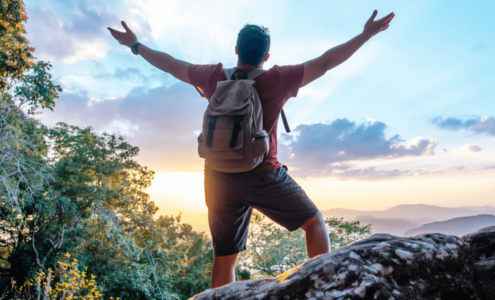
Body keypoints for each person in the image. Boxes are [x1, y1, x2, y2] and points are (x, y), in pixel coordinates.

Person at [108, 10, 395, 288]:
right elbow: (327, 62)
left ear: (236, 50)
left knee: (224, 259)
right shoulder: (277, 78)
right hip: (264, 174)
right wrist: (365, 35)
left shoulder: (214, 76)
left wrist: (135, 45)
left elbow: (170, 64)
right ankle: (323, 289)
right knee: (314, 223)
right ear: (266, 56)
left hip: (218, 177)